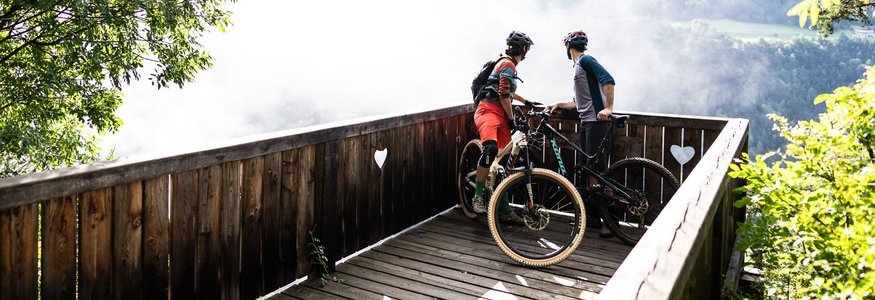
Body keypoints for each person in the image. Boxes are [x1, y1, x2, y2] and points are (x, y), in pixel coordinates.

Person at [547, 30, 616, 238]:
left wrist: (609, 109)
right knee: (590, 171)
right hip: (587, 123)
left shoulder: (586, 60)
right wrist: (559, 104)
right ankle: (594, 217)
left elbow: (608, 80)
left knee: (600, 172)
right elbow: (578, 103)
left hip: (597, 122)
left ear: (568, 47)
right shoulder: (578, 67)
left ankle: (610, 222)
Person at [471, 31, 537, 223]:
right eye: (527, 49)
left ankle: (505, 209)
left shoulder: (507, 64)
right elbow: (503, 95)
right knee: (490, 150)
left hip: (497, 111)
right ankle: (477, 197)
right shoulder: (508, 64)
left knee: (503, 164)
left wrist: (526, 101)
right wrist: (511, 119)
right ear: (523, 49)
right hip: (488, 111)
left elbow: (506, 89)